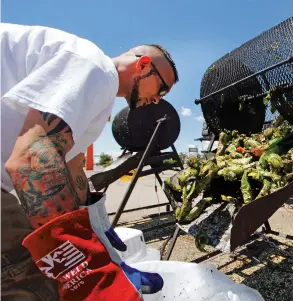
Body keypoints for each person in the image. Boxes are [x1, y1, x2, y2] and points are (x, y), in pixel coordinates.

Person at [1, 22, 179, 301]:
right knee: (32, 279)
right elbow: (32, 161)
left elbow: (71, 169)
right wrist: (87, 268)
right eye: (162, 88)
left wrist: (100, 232)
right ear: (144, 66)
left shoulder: (99, 97)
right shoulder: (95, 67)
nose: (158, 99)